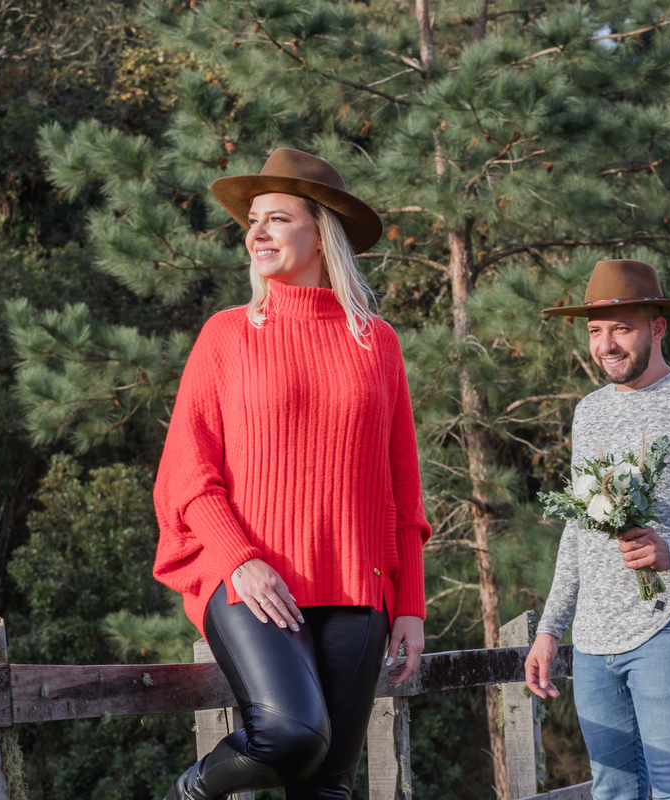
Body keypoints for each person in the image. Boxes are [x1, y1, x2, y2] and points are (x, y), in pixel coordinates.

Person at [152, 148, 430, 800]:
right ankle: (188, 794)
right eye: (252, 221)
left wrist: (411, 605)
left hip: (357, 586)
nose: (257, 233)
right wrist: (240, 560)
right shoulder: (226, 335)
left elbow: (402, 487)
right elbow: (188, 472)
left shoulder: (377, 342)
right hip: (253, 584)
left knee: (328, 786)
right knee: (291, 735)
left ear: (322, 231)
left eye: (277, 218)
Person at [525, 259, 670, 800]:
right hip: (592, 640)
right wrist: (551, 627)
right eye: (595, 331)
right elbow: (578, 529)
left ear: (658, 327)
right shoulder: (588, 412)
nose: (606, 344)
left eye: (621, 329)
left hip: (669, 624)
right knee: (612, 790)